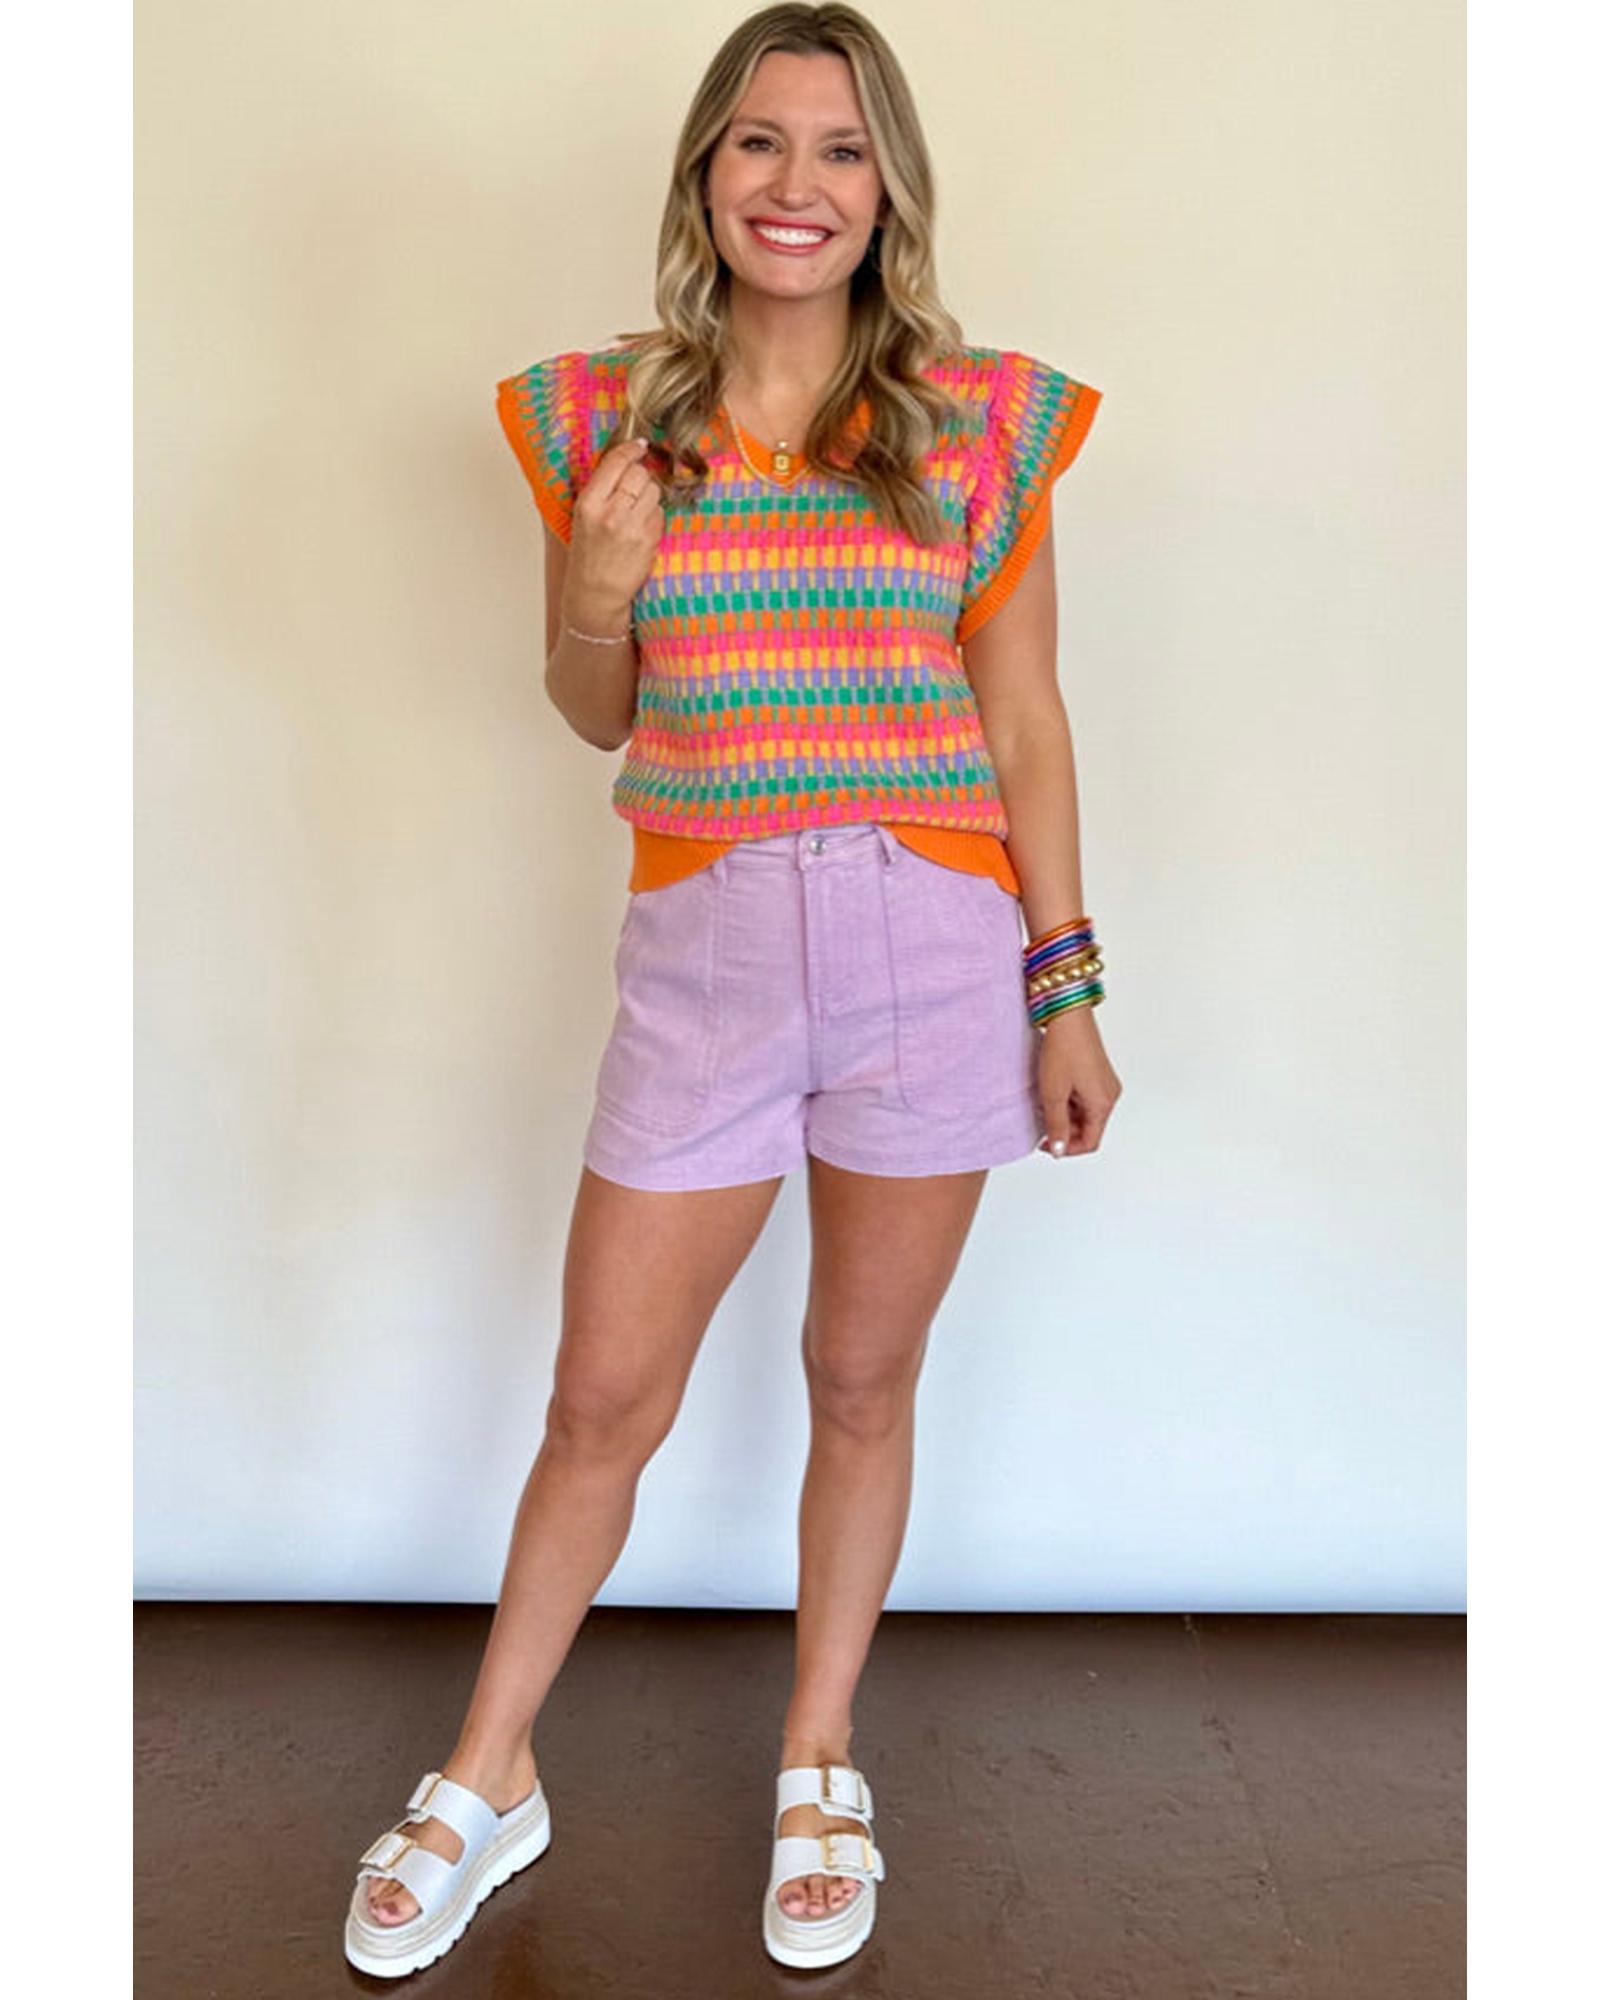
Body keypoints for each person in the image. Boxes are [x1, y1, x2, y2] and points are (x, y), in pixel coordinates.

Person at [343, 0, 1121, 1978]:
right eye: (760, 142)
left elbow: (1025, 719)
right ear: (703, 170)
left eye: (842, 149)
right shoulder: (597, 420)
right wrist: (596, 592)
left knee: (859, 1379)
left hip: (930, 948)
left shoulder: (975, 423)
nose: (798, 184)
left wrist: (1063, 982)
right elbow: (595, 710)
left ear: (890, 192)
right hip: (706, 952)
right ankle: (488, 1772)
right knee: (601, 1395)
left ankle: (818, 1755)